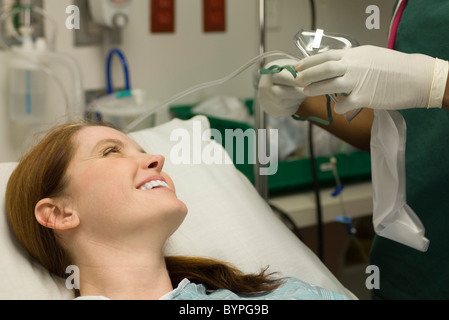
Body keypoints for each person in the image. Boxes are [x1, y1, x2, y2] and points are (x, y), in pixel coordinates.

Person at [4, 120, 350, 300]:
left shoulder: (278, 294)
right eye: (111, 151)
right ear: (60, 214)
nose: (156, 159)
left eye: (143, 150)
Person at [258, 0, 449, 300]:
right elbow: (403, 128)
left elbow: (426, 87)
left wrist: (437, 81)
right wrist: (302, 100)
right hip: (406, 264)